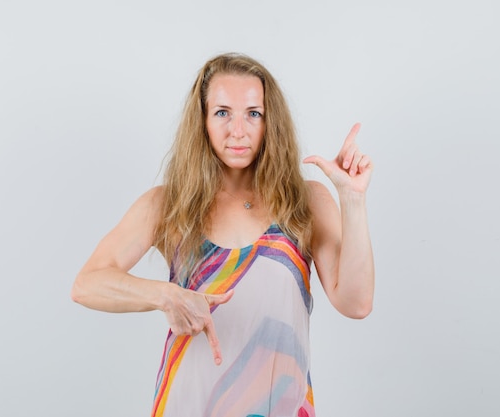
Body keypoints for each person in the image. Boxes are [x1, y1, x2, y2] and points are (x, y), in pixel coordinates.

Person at [71, 53, 375, 417]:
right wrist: (167, 296)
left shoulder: (304, 200)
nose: (238, 130)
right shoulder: (168, 204)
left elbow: (356, 303)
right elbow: (87, 284)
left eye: (253, 113)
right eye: (222, 112)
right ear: (202, 119)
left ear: (269, 121)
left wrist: (353, 200)